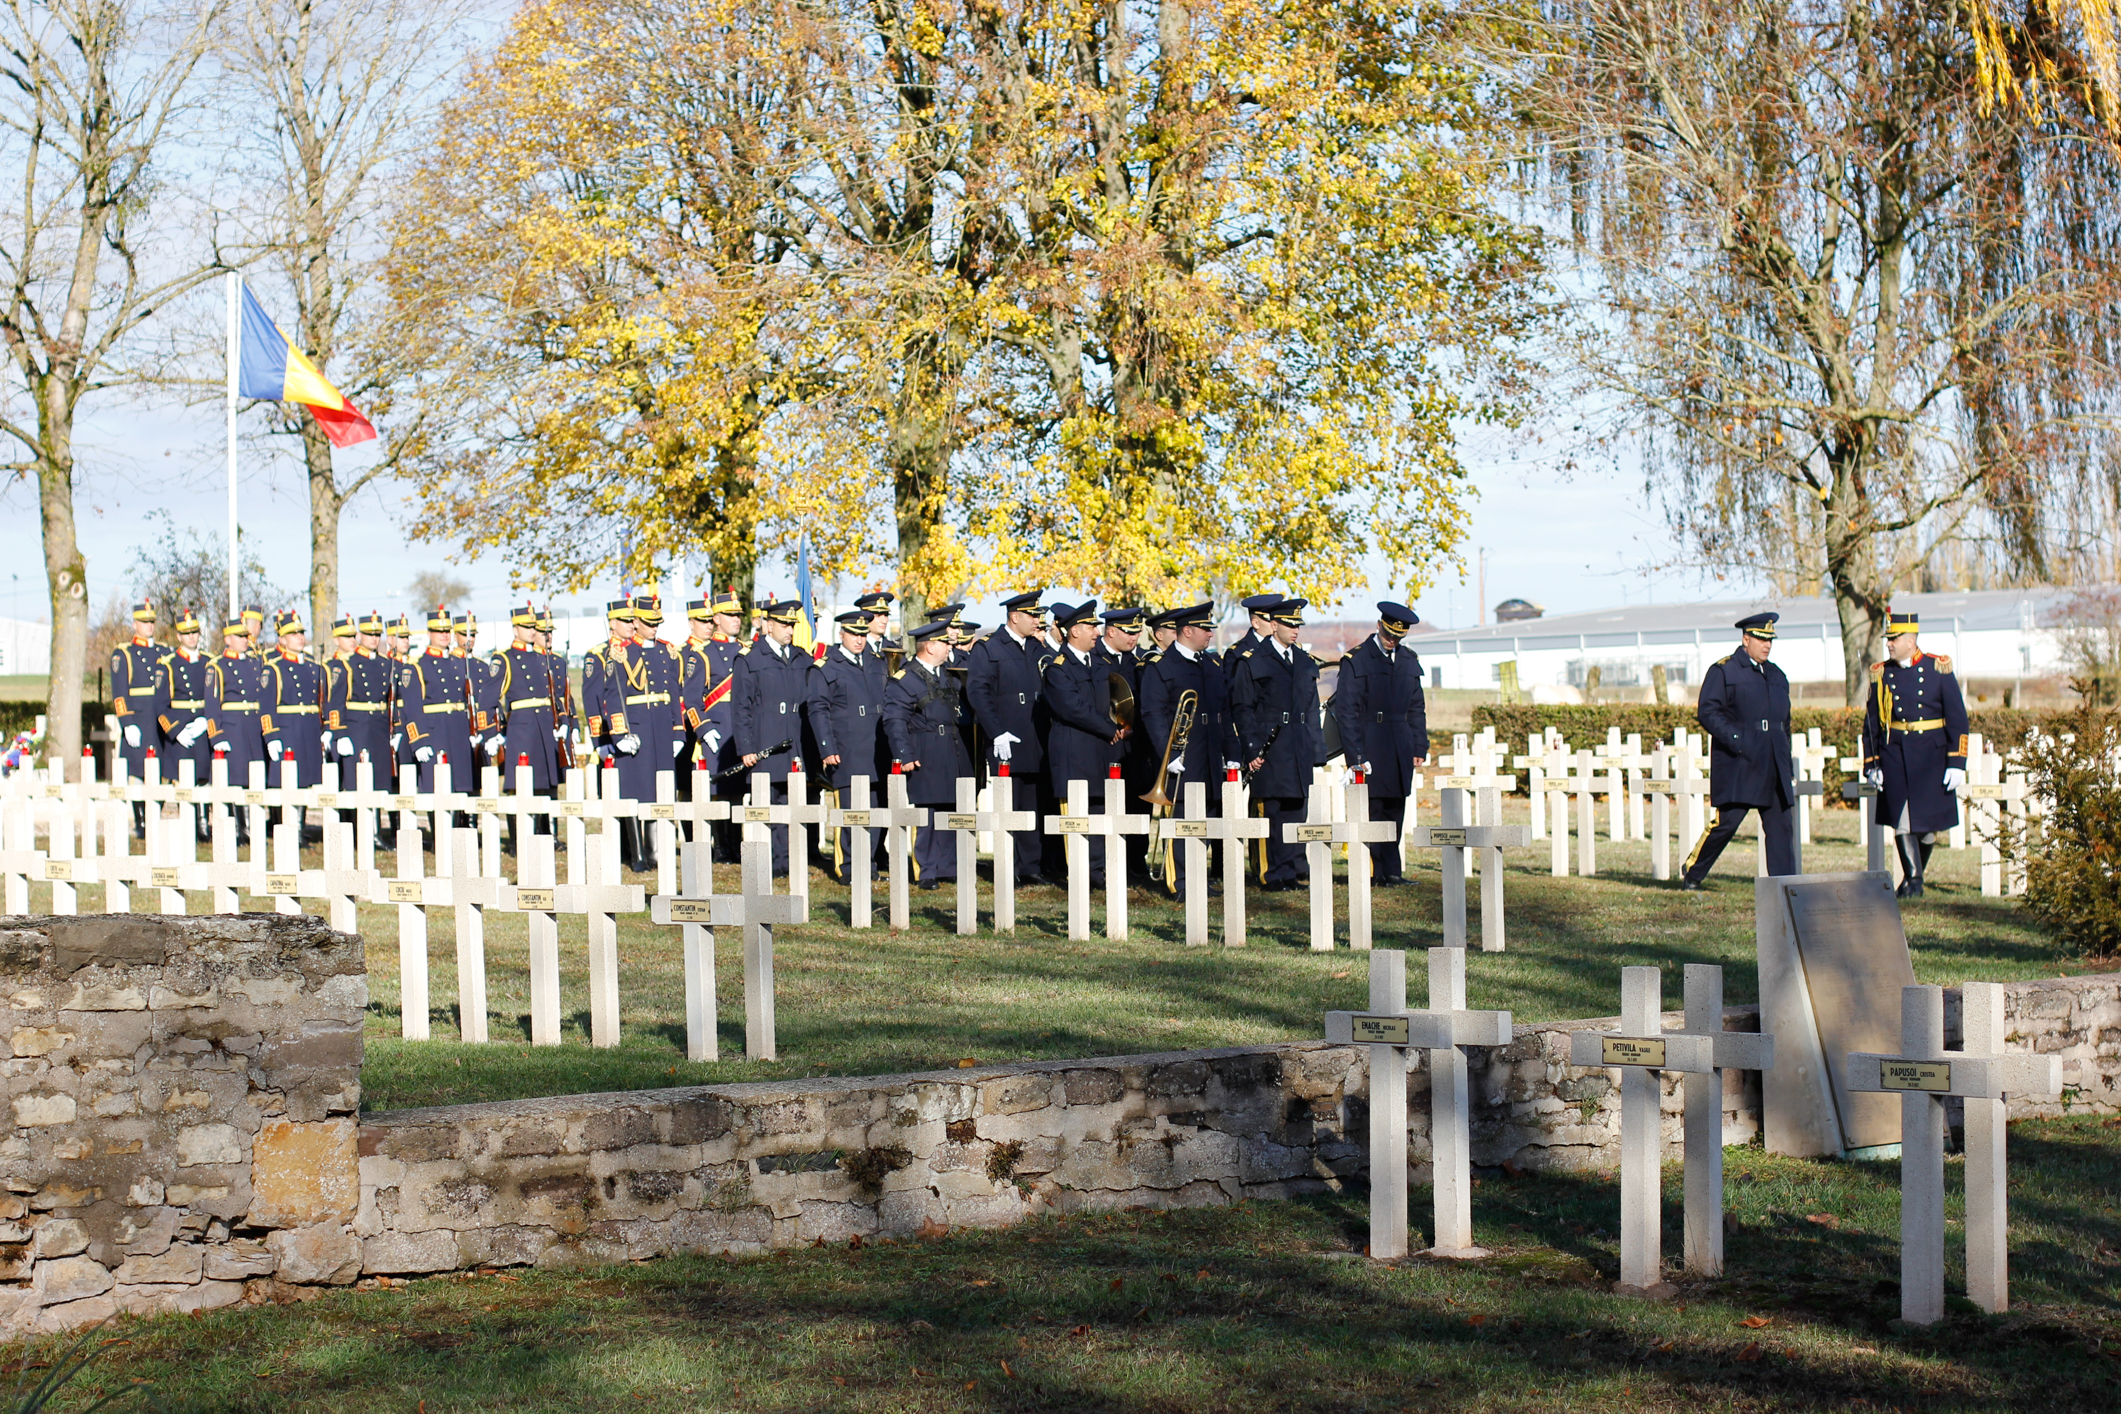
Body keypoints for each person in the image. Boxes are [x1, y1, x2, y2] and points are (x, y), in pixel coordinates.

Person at [1680, 611, 1796, 889]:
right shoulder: (1724, 671)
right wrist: (1738, 740)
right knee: (1726, 824)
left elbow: (1785, 722)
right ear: (1746, 639)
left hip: (1773, 763)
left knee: (1781, 828)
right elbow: (1708, 711)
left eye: (1770, 640)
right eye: (1760, 639)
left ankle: (1785, 887)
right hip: (1741, 762)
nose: (1767, 645)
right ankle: (1693, 872)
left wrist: (1786, 763)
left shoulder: (1777, 675)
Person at [1861, 610, 1970, 898]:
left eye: (1894, 639)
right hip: (1895, 755)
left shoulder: (1939, 668)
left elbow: (1958, 719)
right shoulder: (1881, 673)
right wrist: (1872, 764)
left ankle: (1912, 880)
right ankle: (1915, 880)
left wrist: (1957, 762)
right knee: (1902, 818)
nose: (1889, 644)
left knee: (1928, 826)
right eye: (1888, 639)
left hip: (1932, 758)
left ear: (1910, 640)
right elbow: (1871, 724)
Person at [1330, 601, 1430, 887]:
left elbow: (1416, 707)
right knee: (1372, 808)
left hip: (1399, 741)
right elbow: (1347, 712)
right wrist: (1355, 755)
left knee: (1395, 806)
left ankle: (1392, 870)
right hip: (1369, 739)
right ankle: (1372, 869)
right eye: (1389, 634)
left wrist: (1419, 746)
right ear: (1379, 625)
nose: (1392, 640)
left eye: (1398, 636)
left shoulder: (1409, 660)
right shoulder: (1357, 659)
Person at [1230, 598, 1323, 888]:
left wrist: (1316, 750)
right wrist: (1251, 748)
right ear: (1273, 625)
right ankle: (1270, 873)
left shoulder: (1305, 662)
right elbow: (1243, 708)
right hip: (1270, 748)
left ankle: (1291, 869)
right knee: (1271, 811)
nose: (1295, 630)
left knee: (1296, 811)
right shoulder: (1254, 660)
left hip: (1298, 747)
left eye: (1298, 625)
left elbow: (1312, 709)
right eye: (1289, 624)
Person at [1139, 602, 1228, 899]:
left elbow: (1223, 714)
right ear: (1187, 630)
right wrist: (1170, 754)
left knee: (1206, 817)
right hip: (1182, 756)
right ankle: (1179, 881)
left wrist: (1234, 752)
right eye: (1205, 629)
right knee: (1180, 818)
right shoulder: (1161, 666)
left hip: (1210, 752)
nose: (1210, 635)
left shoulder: (1212, 665)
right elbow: (1153, 713)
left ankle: (1199, 878)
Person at [964, 589, 1053, 884]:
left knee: (1033, 804)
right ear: (1015, 617)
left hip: (1036, 739)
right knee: (1008, 804)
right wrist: (996, 731)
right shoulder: (989, 648)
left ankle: (1030, 865)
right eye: (1032, 615)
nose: (1037, 621)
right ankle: (1008, 866)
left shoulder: (1037, 649)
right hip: (1006, 739)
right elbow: (978, 692)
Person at [1042, 600, 1129, 886]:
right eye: (1091, 627)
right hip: (1074, 751)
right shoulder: (1058, 668)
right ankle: (1081, 871)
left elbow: (1114, 701)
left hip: (1103, 750)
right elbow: (1072, 708)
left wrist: (1121, 726)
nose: (1097, 632)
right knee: (1078, 814)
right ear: (1074, 631)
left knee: (1102, 810)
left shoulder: (1100, 665)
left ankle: (1100, 868)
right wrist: (1108, 727)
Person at [882, 619, 974, 888]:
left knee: (951, 810)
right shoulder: (904, 679)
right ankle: (927, 870)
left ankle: (948, 866)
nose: (950, 646)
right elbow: (894, 720)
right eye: (945, 642)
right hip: (926, 752)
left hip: (954, 751)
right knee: (928, 814)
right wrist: (904, 754)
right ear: (931, 646)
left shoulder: (950, 673)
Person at [731, 599, 812, 877]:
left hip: (796, 741)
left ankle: (790, 859)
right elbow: (740, 706)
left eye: (792, 625)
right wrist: (746, 746)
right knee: (767, 804)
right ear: (770, 624)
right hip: (765, 741)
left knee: (794, 804)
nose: (789, 630)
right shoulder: (750, 658)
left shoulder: (803, 658)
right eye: (784, 624)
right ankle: (769, 862)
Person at [808, 608, 887, 882]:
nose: (859, 639)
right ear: (841, 633)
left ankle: (871, 866)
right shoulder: (826, 666)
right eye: (853, 633)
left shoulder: (878, 663)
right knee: (851, 814)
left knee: (876, 814)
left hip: (877, 750)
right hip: (847, 750)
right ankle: (849, 868)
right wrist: (827, 748)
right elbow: (818, 710)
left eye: (863, 634)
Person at [490, 605, 565, 846]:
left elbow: (558, 695)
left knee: (545, 783)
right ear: (515, 629)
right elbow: (488, 699)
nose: (532, 631)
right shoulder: (504, 659)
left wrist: (563, 721)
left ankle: (546, 836)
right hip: (521, 727)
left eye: (534, 627)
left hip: (544, 725)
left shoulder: (544, 658)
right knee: (518, 785)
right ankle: (517, 840)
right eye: (527, 627)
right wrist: (494, 731)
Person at [1093, 606, 1152, 879]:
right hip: (1103, 743)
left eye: (1138, 631)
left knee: (1138, 800)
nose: (1135, 637)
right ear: (1112, 631)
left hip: (1133, 744)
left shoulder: (1137, 662)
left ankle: (1136, 859)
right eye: (1129, 631)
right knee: (1106, 803)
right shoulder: (1093, 658)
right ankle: (1106, 862)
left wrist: (1133, 727)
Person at [262, 611, 327, 838]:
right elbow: (266, 706)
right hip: (287, 729)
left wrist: (325, 729)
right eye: (293, 634)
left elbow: (321, 701)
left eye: (301, 633)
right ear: (282, 639)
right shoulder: (273, 668)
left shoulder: (312, 666)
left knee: (306, 779)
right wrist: (271, 735)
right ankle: (285, 828)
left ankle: (300, 826)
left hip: (308, 729)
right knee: (287, 781)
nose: (299, 637)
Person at [396, 607, 473, 796]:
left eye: (447, 631)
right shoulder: (417, 666)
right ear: (429, 633)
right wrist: (418, 740)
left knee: (461, 788)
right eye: (439, 631)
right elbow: (412, 708)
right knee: (437, 788)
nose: (444, 635)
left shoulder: (460, 663)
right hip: (434, 733)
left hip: (459, 731)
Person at [205, 615, 268, 836]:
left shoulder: (255, 663)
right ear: (228, 638)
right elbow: (212, 705)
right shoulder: (217, 666)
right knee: (235, 779)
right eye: (240, 636)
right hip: (233, 728)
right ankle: (237, 828)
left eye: (246, 635)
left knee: (254, 778)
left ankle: (253, 826)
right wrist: (217, 736)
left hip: (253, 726)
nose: (245, 639)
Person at [109, 599, 167, 834]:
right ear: (134, 624)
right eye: (144, 622)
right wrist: (127, 723)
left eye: (152, 621)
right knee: (138, 772)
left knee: (161, 772)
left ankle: (155, 815)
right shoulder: (123, 653)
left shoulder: (164, 652)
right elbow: (119, 693)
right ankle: (141, 820)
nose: (149, 626)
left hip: (159, 720)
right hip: (139, 720)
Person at [159, 608, 212, 834]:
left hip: (201, 726)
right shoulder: (168, 663)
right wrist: (175, 730)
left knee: (203, 777)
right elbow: (159, 705)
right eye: (186, 633)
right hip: (181, 729)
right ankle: (189, 825)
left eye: (195, 632)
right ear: (178, 636)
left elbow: (215, 698)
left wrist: (206, 720)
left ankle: (203, 825)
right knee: (182, 781)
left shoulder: (210, 662)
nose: (191, 637)